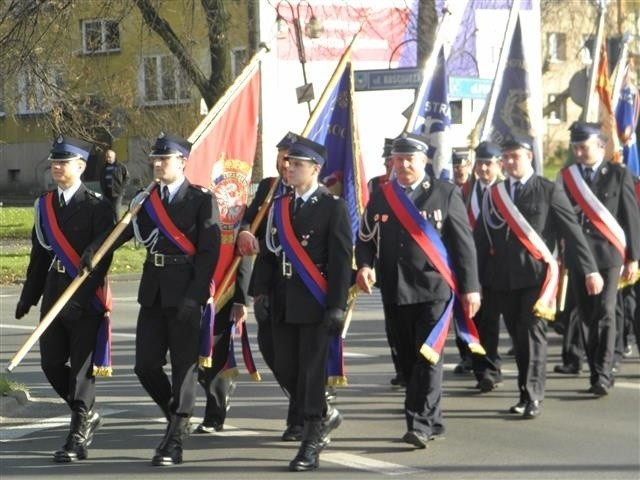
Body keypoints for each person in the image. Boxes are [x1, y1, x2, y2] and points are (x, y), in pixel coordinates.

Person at [356, 133, 481, 448]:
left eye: (410, 159)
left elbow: (463, 246)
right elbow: (365, 238)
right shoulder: (382, 195)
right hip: (395, 290)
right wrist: (365, 265)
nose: (403, 165)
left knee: (428, 357)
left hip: (433, 290)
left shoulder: (444, 193)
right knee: (409, 359)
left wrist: (471, 289)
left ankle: (420, 424)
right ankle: (433, 420)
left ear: (424, 161)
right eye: (398, 159)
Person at [105, 132, 221, 465]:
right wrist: (95, 249)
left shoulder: (201, 200)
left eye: (164, 159)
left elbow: (209, 252)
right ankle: (177, 415)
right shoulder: (146, 199)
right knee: (145, 366)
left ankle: (173, 441)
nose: (157, 164)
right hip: (153, 292)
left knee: (185, 367)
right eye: (155, 159)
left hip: (186, 291)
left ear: (182, 162)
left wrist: (195, 296)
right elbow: (123, 231)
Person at [474, 134, 603, 419]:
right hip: (502, 280)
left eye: (514, 156)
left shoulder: (547, 189)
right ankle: (524, 391)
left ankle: (532, 396)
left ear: (529, 157)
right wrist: (475, 281)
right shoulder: (495, 193)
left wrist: (590, 269)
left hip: (536, 279)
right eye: (505, 157)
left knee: (533, 336)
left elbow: (572, 230)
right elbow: (482, 239)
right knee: (519, 340)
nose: (508, 162)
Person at [251, 135, 352, 471]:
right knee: (284, 365)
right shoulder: (279, 206)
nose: (289, 168)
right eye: (288, 163)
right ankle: (322, 411)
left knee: (309, 373)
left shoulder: (332, 207)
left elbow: (340, 261)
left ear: (315, 169)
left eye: (297, 164)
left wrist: (337, 305)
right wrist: (260, 292)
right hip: (282, 300)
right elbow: (268, 253)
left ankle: (311, 441)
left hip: (314, 302)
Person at [14, 135, 115, 462]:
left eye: (64, 162)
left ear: (81, 166)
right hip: (55, 291)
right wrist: (29, 296)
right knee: (51, 362)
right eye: (54, 162)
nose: (56, 167)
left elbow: (103, 261)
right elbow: (39, 254)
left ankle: (77, 435)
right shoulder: (45, 205)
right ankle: (86, 413)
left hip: (86, 296)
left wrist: (82, 298)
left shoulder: (98, 207)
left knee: (81, 368)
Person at [558, 122, 640, 396]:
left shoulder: (618, 174)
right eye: (576, 147)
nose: (579, 152)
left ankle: (602, 374)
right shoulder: (567, 177)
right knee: (586, 315)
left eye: (584, 147)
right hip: (579, 257)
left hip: (609, 254)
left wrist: (633, 258)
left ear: (601, 146)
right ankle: (596, 369)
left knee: (605, 312)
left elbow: (630, 217)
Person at [235, 131, 306, 440]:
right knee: (272, 350)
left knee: (297, 354)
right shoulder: (269, 187)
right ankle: (304, 403)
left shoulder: (311, 192)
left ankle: (302, 414)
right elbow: (248, 220)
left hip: (301, 284)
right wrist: (245, 231)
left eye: (290, 156)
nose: (284, 161)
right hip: (268, 283)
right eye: (281, 155)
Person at [465, 141, 507, 392]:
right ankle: (482, 369)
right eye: (479, 163)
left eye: (488, 164)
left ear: (499, 165)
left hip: (497, 265)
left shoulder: (504, 190)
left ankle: (491, 367)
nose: (482, 168)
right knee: (476, 319)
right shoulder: (466, 190)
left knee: (491, 319)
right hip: (471, 264)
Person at [194, 255, 251, 433]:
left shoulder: (238, 225)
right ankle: (223, 391)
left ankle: (214, 416)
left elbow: (245, 256)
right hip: (189, 286)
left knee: (214, 356)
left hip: (223, 287)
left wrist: (241, 299)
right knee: (193, 358)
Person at [366, 137, 405, 389]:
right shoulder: (376, 186)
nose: (392, 165)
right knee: (394, 324)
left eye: (395, 160)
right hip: (387, 265)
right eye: (389, 160)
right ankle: (401, 367)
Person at [451, 149, 475, 375]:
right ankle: (465, 355)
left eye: (463, 164)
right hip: (453, 258)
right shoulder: (447, 190)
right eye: (456, 165)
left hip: (477, 256)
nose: (459, 169)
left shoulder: (476, 189)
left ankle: (479, 356)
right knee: (459, 311)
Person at [99, 149, 129, 219]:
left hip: (118, 192)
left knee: (116, 210)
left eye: (109, 157)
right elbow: (101, 179)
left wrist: (122, 188)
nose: (108, 159)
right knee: (108, 210)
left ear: (114, 157)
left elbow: (127, 178)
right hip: (107, 192)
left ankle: (118, 226)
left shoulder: (120, 166)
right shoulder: (104, 168)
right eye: (106, 157)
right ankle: (111, 226)